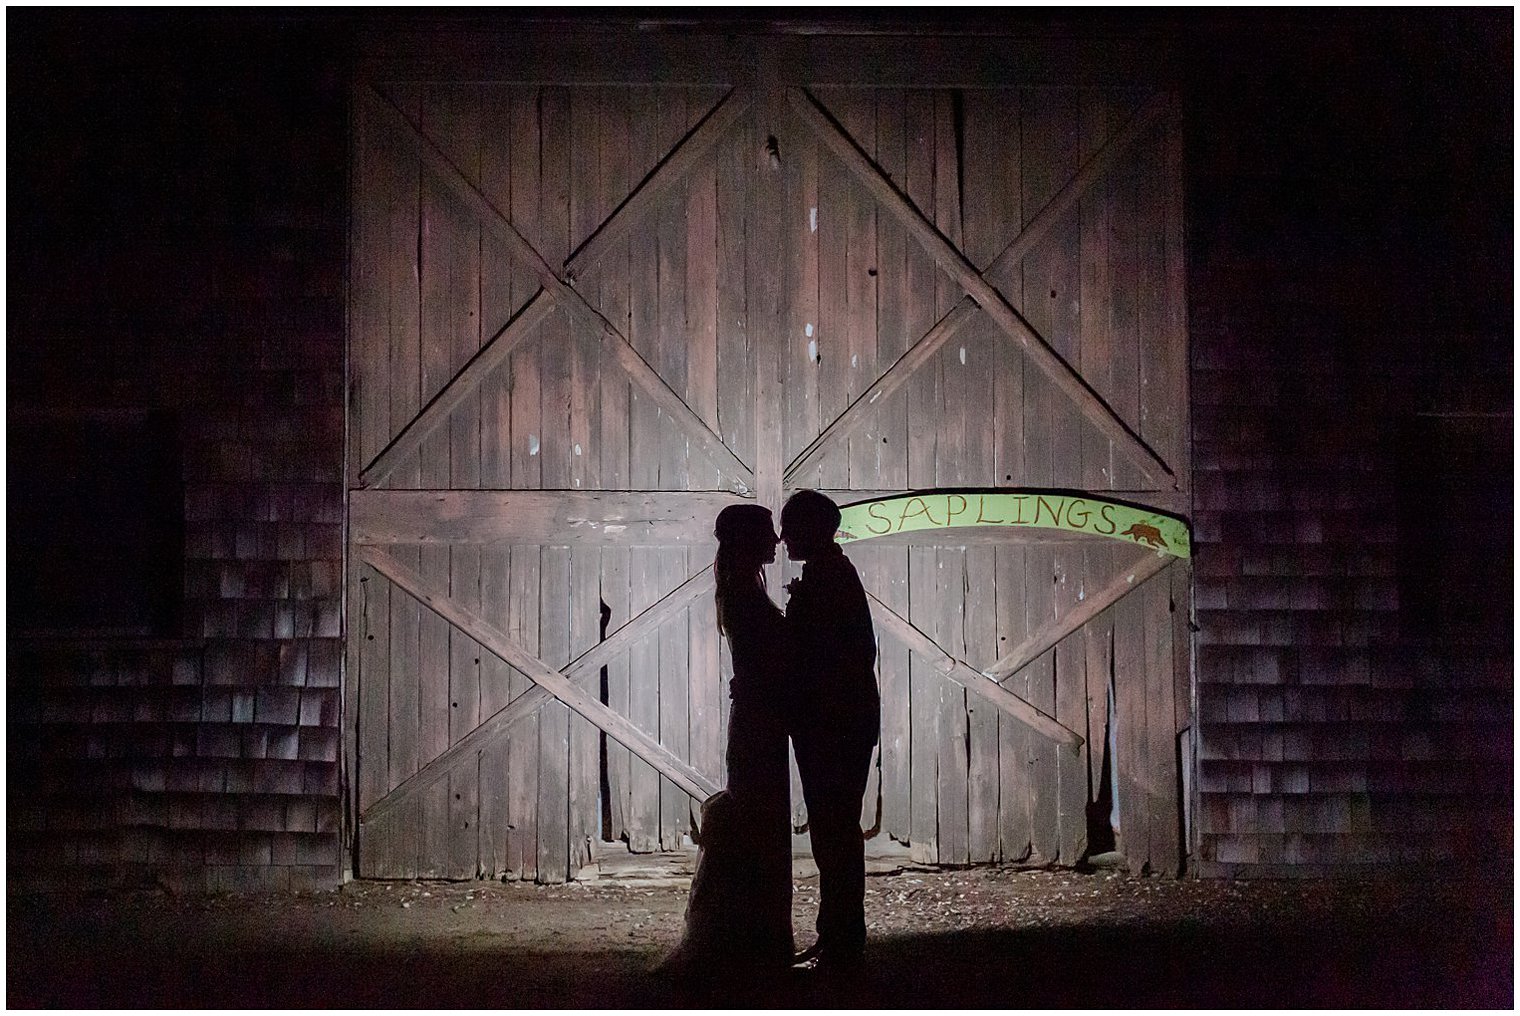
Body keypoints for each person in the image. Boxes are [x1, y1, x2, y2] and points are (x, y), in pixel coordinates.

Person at [660, 504, 795, 976]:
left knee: (758, 824)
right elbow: (770, 658)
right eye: (767, 532)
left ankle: (747, 941)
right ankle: (751, 945)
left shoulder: (742, 587)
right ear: (747, 540)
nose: (777, 539)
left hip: (758, 719)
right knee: (760, 825)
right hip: (759, 721)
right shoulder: (743, 592)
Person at [780, 490, 880, 971]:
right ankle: (838, 936)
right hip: (843, 722)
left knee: (835, 833)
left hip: (834, 726)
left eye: (790, 528)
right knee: (834, 831)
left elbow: (826, 658)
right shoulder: (831, 574)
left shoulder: (829, 579)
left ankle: (841, 942)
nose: (782, 539)